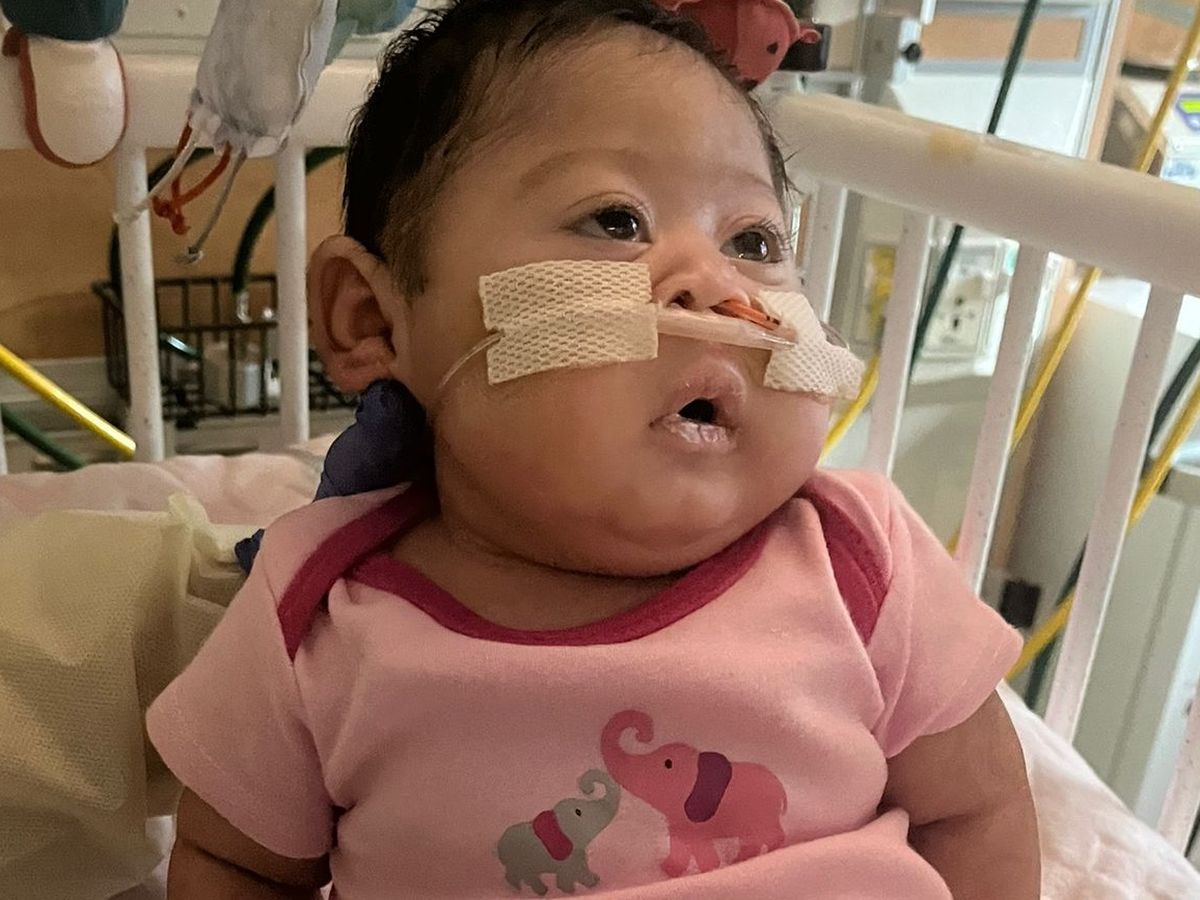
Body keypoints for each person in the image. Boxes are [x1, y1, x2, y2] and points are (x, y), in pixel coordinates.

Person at [147, 1, 1040, 896]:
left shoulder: (861, 563)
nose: (711, 286)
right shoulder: (318, 621)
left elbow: (976, 808)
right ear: (374, 320)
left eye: (755, 241)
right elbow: (235, 864)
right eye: (616, 221)